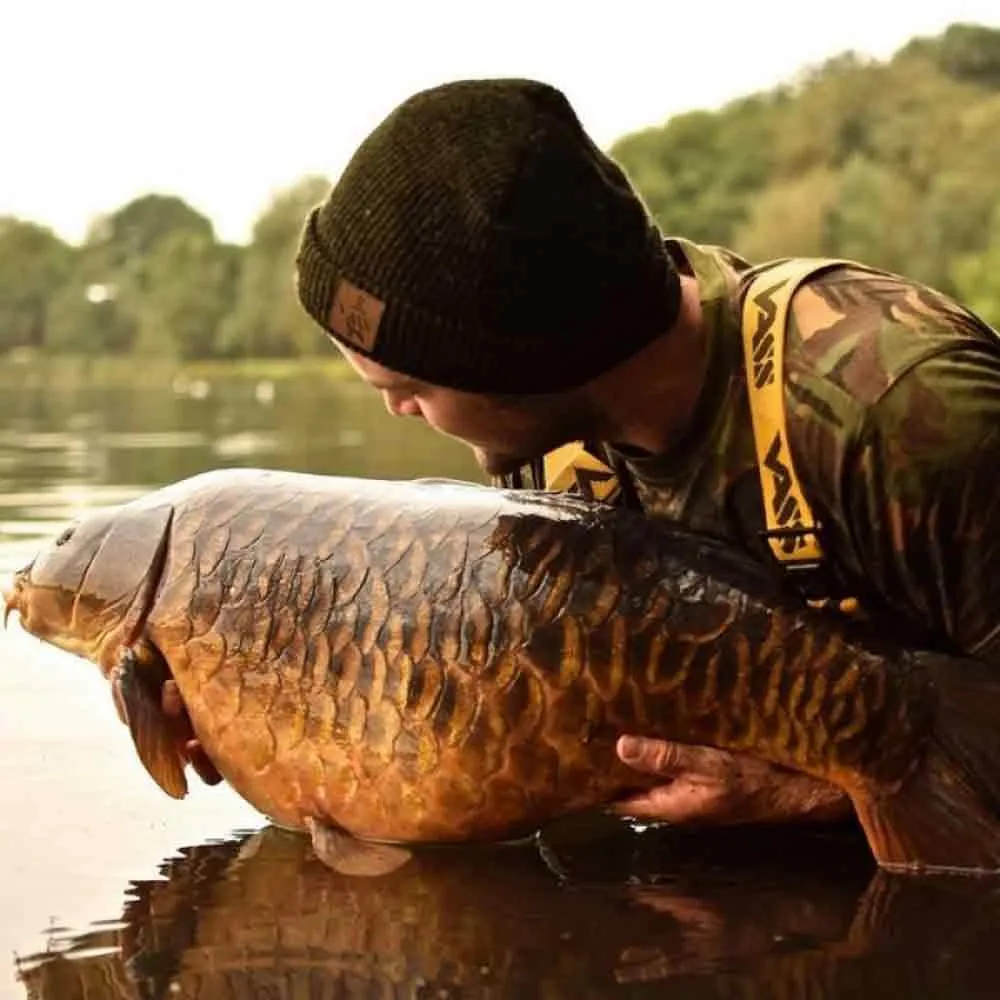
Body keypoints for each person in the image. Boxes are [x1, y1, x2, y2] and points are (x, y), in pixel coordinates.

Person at [293, 77, 1000, 829]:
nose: (398, 409)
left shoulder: (902, 412)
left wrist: (798, 794)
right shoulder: (541, 454)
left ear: (523, 370)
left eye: (412, 386)